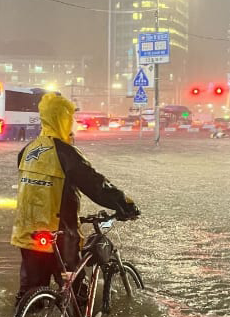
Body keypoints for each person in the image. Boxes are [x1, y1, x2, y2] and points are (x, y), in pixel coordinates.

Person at [10, 93, 140, 304]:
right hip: (60, 235)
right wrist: (124, 203)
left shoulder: (26, 151)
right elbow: (97, 186)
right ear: (61, 119)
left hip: (28, 235)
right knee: (76, 292)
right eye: (70, 118)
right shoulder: (66, 153)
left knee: (29, 294)